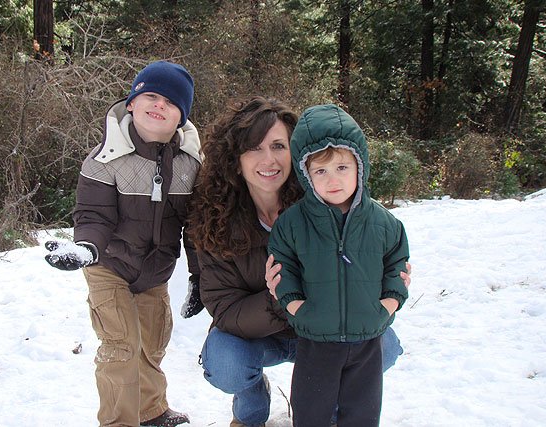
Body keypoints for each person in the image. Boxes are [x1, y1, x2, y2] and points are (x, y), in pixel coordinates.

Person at [186, 96, 410, 427]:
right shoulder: (215, 220)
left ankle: (334, 404)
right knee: (226, 361)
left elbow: (375, 254)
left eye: (279, 146)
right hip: (261, 335)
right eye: (254, 148)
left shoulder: (327, 196)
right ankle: (251, 403)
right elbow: (224, 307)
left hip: (327, 335)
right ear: (235, 159)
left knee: (384, 345)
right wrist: (282, 300)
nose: (269, 159)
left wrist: (387, 286)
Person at [44, 60, 201, 427]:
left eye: (170, 102)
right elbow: (93, 215)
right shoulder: (105, 159)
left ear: (181, 117)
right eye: (151, 96)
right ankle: (118, 421)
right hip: (109, 265)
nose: (159, 104)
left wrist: (199, 277)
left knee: (151, 344)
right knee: (121, 346)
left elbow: (196, 227)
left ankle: (151, 411)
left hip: (155, 271)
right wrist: (86, 248)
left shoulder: (192, 165)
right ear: (131, 103)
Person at [267, 104, 410, 427]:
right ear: (305, 174)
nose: (333, 179)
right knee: (311, 412)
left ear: (360, 165)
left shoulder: (384, 223)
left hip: (367, 340)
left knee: (362, 413)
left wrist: (388, 303)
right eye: (320, 171)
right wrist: (296, 304)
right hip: (316, 341)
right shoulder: (292, 224)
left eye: (342, 167)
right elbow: (283, 266)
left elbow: (397, 263)